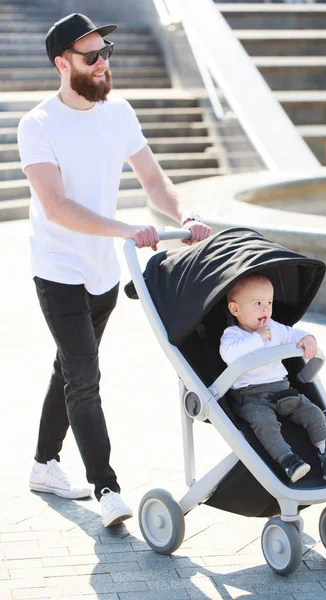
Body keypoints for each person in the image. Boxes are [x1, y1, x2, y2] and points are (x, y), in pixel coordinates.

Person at [17, 13, 211, 527]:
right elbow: (56, 208)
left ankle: (43, 466)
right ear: (63, 64)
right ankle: (107, 488)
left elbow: (153, 179)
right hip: (57, 266)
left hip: (102, 270)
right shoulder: (36, 125)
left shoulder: (119, 112)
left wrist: (183, 215)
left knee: (68, 367)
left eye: (106, 53)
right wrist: (127, 230)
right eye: (92, 56)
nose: (104, 63)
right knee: (84, 377)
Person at [219, 273, 326, 483]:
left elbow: (295, 334)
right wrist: (258, 338)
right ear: (235, 309)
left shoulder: (274, 328)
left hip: (283, 391)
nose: (265, 308)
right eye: (257, 303)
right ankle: (288, 460)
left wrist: (307, 339)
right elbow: (229, 355)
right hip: (250, 396)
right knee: (264, 423)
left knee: (313, 412)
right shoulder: (233, 335)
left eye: (268, 302)